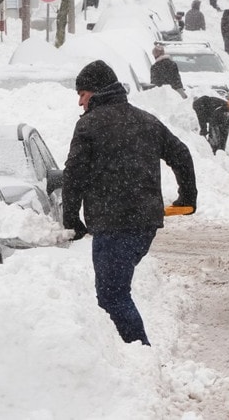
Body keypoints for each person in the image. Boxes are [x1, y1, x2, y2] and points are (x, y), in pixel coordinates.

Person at [62, 60, 197, 346]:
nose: (80, 102)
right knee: (115, 292)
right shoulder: (146, 121)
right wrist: (188, 197)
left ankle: (140, 352)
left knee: (112, 296)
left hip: (113, 225)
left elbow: (74, 175)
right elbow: (181, 155)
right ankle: (125, 352)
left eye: (82, 94)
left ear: (96, 91)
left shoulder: (89, 126)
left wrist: (71, 220)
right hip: (144, 224)